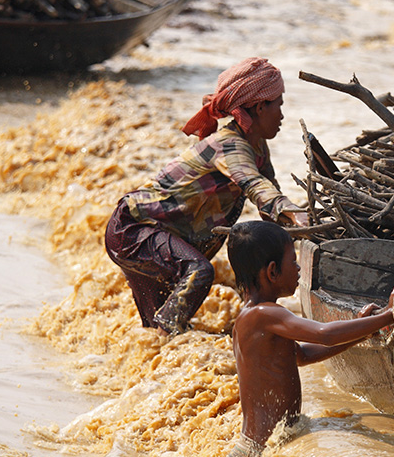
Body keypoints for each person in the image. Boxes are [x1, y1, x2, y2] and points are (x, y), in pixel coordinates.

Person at [104, 57, 308, 334]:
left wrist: (303, 229)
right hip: (135, 229)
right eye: (279, 106)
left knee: (158, 331)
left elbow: (269, 202)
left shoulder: (256, 148)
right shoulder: (229, 144)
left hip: (149, 233)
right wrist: (295, 213)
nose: (282, 115)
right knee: (199, 273)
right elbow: (252, 183)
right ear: (260, 107)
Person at [224, 221, 394, 457]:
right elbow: (324, 334)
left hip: (257, 449)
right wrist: (387, 316)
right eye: (293, 262)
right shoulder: (266, 314)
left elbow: (302, 356)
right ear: (272, 272)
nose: (298, 269)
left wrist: (363, 332)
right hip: (262, 452)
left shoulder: (250, 317)